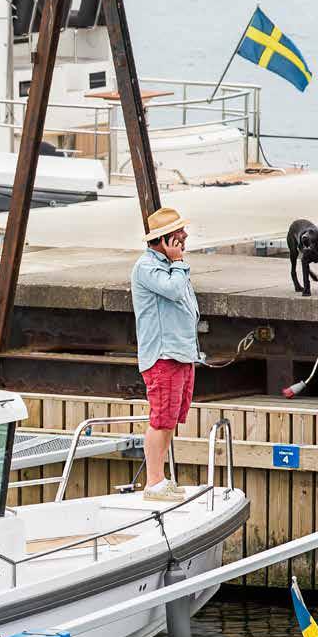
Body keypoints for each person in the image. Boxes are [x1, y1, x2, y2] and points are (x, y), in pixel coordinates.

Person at [131, 206, 202, 503]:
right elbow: (173, 291)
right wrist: (178, 263)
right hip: (163, 356)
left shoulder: (171, 264)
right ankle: (154, 481)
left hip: (182, 354)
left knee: (171, 418)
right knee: (161, 418)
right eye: (179, 233)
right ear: (165, 239)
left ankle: (161, 478)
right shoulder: (148, 267)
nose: (185, 236)